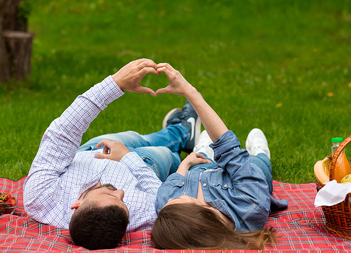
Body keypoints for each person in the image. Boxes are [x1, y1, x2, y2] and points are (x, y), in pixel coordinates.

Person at [23, 59, 202, 250]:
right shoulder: (136, 216)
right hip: (143, 165)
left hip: (93, 150)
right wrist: (127, 157)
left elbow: (62, 133)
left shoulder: (40, 199)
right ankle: (183, 133)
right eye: (122, 200)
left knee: (137, 137)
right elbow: (160, 195)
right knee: (165, 153)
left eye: (110, 194)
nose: (120, 192)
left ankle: (180, 131)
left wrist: (116, 83)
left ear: (77, 204)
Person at [151, 63, 288, 250]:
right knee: (257, 163)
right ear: (198, 212)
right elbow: (228, 148)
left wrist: (186, 163)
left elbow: (171, 185)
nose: (168, 200)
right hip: (251, 177)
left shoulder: (166, 210)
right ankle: (261, 152)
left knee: (200, 158)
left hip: (200, 168)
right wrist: (190, 92)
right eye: (177, 200)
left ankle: (202, 149)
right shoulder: (250, 205)